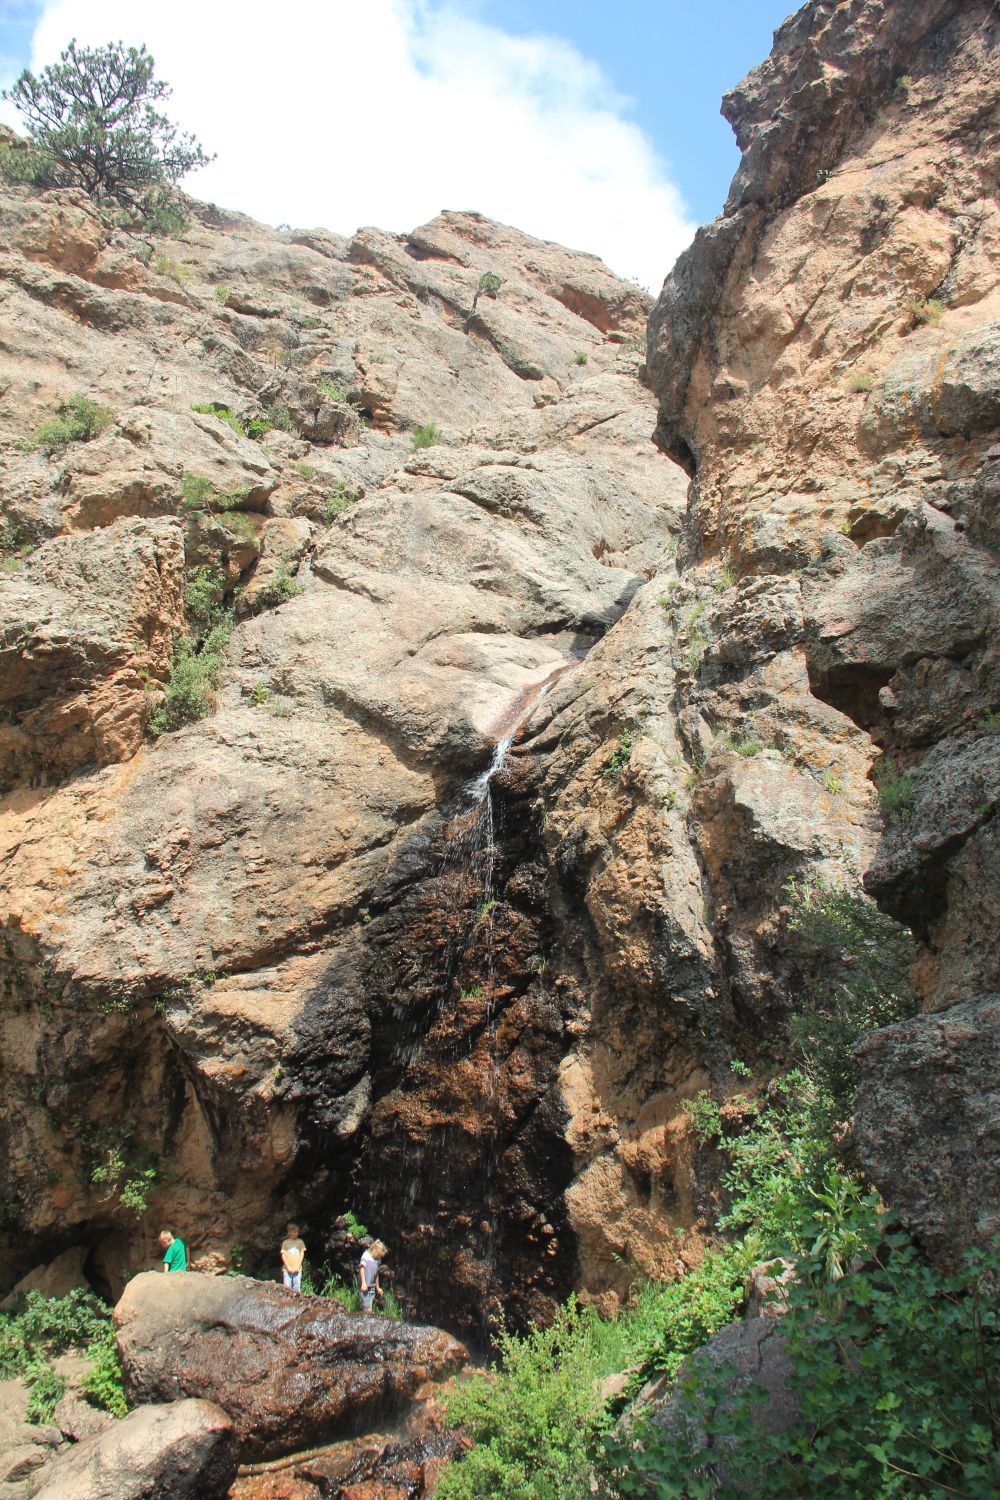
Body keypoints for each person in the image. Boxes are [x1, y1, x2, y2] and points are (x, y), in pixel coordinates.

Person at [358, 1240, 386, 1313]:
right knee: (367, 1308)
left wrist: (378, 1288)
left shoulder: (378, 1260)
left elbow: (376, 1274)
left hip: (372, 1287)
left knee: (369, 1307)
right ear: (375, 1250)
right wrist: (363, 1283)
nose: (379, 1257)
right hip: (364, 1286)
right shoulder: (366, 1255)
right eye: (379, 1255)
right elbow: (361, 1268)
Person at [280, 1222, 306, 1292]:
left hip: (297, 1269)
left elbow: (302, 1253)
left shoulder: (300, 1242)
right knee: (286, 1288)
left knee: (296, 1288)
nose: (297, 1233)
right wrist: (288, 1267)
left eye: (297, 1232)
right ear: (289, 1232)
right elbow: (283, 1254)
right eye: (295, 1232)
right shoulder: (285, 1242)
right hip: (287, 1269)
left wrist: (298, 1266)